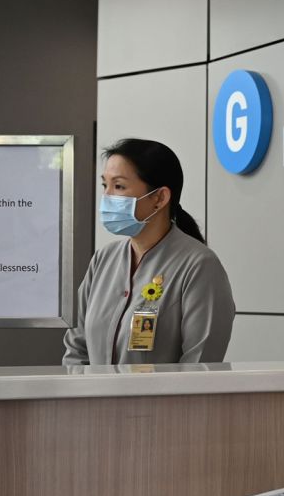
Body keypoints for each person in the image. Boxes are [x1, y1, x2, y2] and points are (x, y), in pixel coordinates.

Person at [63, 139, 235, 365]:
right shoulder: (103, 260)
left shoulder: (199, 266)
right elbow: (77, 349)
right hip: (96, 400)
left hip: (162, 402)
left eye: (119, 186)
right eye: (105, 185)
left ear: (159, 198)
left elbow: (200, 367)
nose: (107, 197)